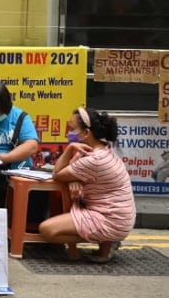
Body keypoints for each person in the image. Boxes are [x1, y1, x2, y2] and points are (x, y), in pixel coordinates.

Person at [39, 107, 135, 263]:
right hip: (115, 215)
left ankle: (107, 238)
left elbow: (57, 173)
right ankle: (105, 247)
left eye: (72, 129)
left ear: (86, 133)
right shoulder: (100, 149)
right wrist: (74, 178)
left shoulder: (94, 159)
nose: (68, 133)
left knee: (47, 230)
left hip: (111, 219)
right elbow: (72, 169)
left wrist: (70, 148)